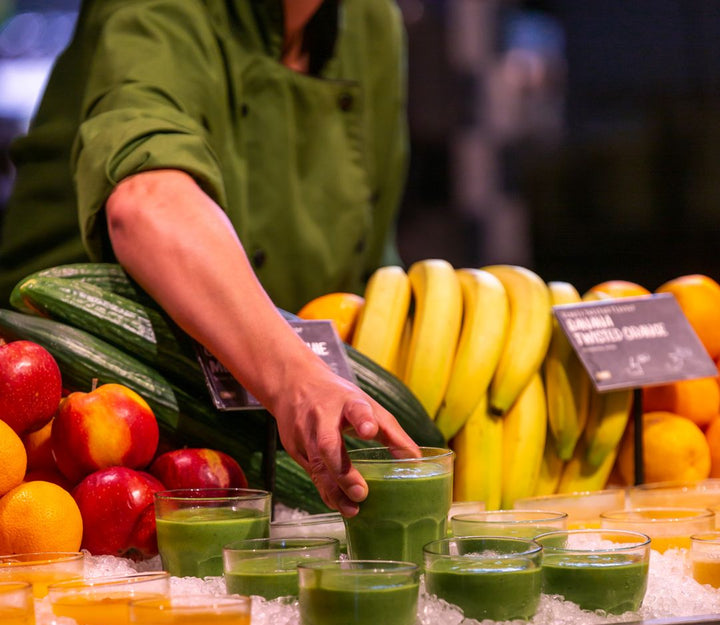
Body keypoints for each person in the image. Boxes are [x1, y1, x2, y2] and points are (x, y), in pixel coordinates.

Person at [0, 0, 419, 515]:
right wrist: (295, 378)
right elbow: (146, 201)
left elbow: (370, 266)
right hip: (69, 437)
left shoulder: (372, 23)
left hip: (267, 434)